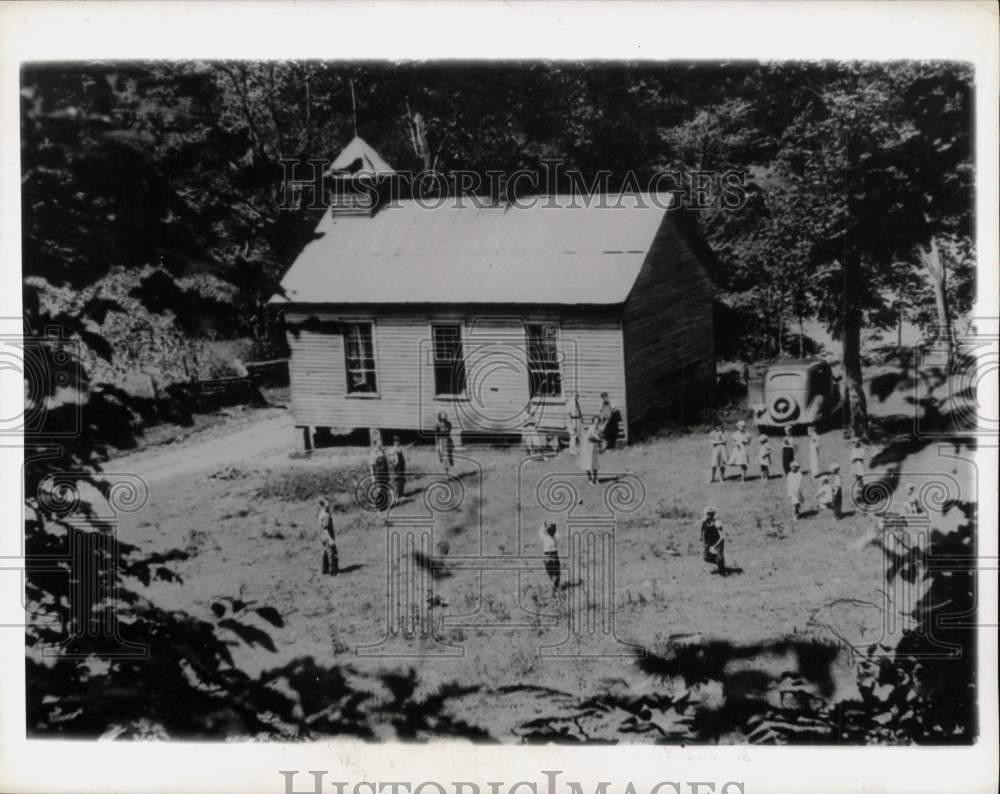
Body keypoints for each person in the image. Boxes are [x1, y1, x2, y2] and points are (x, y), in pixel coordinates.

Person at [700, 507, 726, 576]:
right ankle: (719, 561)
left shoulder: (717, 522)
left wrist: (715, 546)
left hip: (718, 541)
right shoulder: (704, 521)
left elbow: (722, 537)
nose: (709, 515)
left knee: (719, 558)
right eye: (707, 514)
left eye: (711, 514)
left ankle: (721, 567)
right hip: (709, 542)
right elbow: (702, 531)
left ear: (713, 514)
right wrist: (703, 541)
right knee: (706, 558)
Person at [368, 435, 391, 512]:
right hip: (378, 474)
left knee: (385, 489)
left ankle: (385, 506)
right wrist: (373, 477)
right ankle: (378, 508)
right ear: (376, 443)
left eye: (381, 442)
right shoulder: (373, 453)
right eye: (379, 442)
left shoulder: (383, 451)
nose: (380, 443)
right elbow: (371, 466)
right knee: (379, 490)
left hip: (385, 473)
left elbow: (387, 462)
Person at [318, 497, 339, 576]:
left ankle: (324, 569)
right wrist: (330, 539)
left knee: (325, 553)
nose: (329, 505)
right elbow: (325, 529)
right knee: (332, 553)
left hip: (322, 537)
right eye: (327, 504)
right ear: (323, 505)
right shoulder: (326, 515)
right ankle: (333, 571)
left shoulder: (321, 513)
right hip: (327, 537)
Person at [579, 415, 602, 484]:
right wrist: (598, 439)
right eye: (595, 421)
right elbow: (591, 437)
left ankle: (595, 478)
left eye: (598, 421)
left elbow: (598, 437)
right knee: (588, 463)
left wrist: (599, 445)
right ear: (593, 421)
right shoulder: (592, 428)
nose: (596, 423)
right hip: (588, 447)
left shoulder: (599, 429)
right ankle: (590, 479)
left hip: (594, 447)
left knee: (595, 462)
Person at [539, 521, 561, 595]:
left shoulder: (545, 538)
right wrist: (554, 527)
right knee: (557, 573)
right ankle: (554, 589)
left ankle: (553, 586)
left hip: (547, 556)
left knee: (550, 573)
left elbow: (541, 532)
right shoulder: (556, 538)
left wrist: (543, 525)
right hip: (554, 555)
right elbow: (557, 533)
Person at [387, 434, 406, 505]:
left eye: (398, 441)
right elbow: (390, 459)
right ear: (394, 442)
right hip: (397, 469)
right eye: (396, 441)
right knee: (396, 483)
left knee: (402, 481)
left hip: (401, 468)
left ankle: (401, 495)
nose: (397, 442)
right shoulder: (392, 450)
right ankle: (396, 497)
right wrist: (393, 464)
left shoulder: (400, 449)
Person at [565, 391, 583, 455]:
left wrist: (581, 419)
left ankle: (581, 449)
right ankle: (572, 450)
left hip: (578, 419)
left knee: (580, 434)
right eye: (575, 395)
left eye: (577, 396)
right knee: (573, 435)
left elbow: (579, 411)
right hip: (573, 420)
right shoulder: (570, 402)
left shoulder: (577, 402)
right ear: (572, 395)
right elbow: (568, 414)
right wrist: (571, 424)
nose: (577, 397)